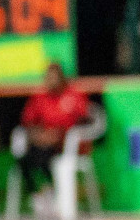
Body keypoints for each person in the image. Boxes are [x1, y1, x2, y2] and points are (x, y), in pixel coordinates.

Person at [18, 62, 90, 210]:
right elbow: (28, 122)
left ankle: (54, 192)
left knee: (45, 155)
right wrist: (38, 135)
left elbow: (85, 120)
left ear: (61, 78)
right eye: (47, 77)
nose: (50, 81)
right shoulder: (40, 98)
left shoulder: (74, 95)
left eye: (53, 77)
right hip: (44, 142)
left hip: (68, 144)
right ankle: (38, 195)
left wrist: (61, 133)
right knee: (24, 159)